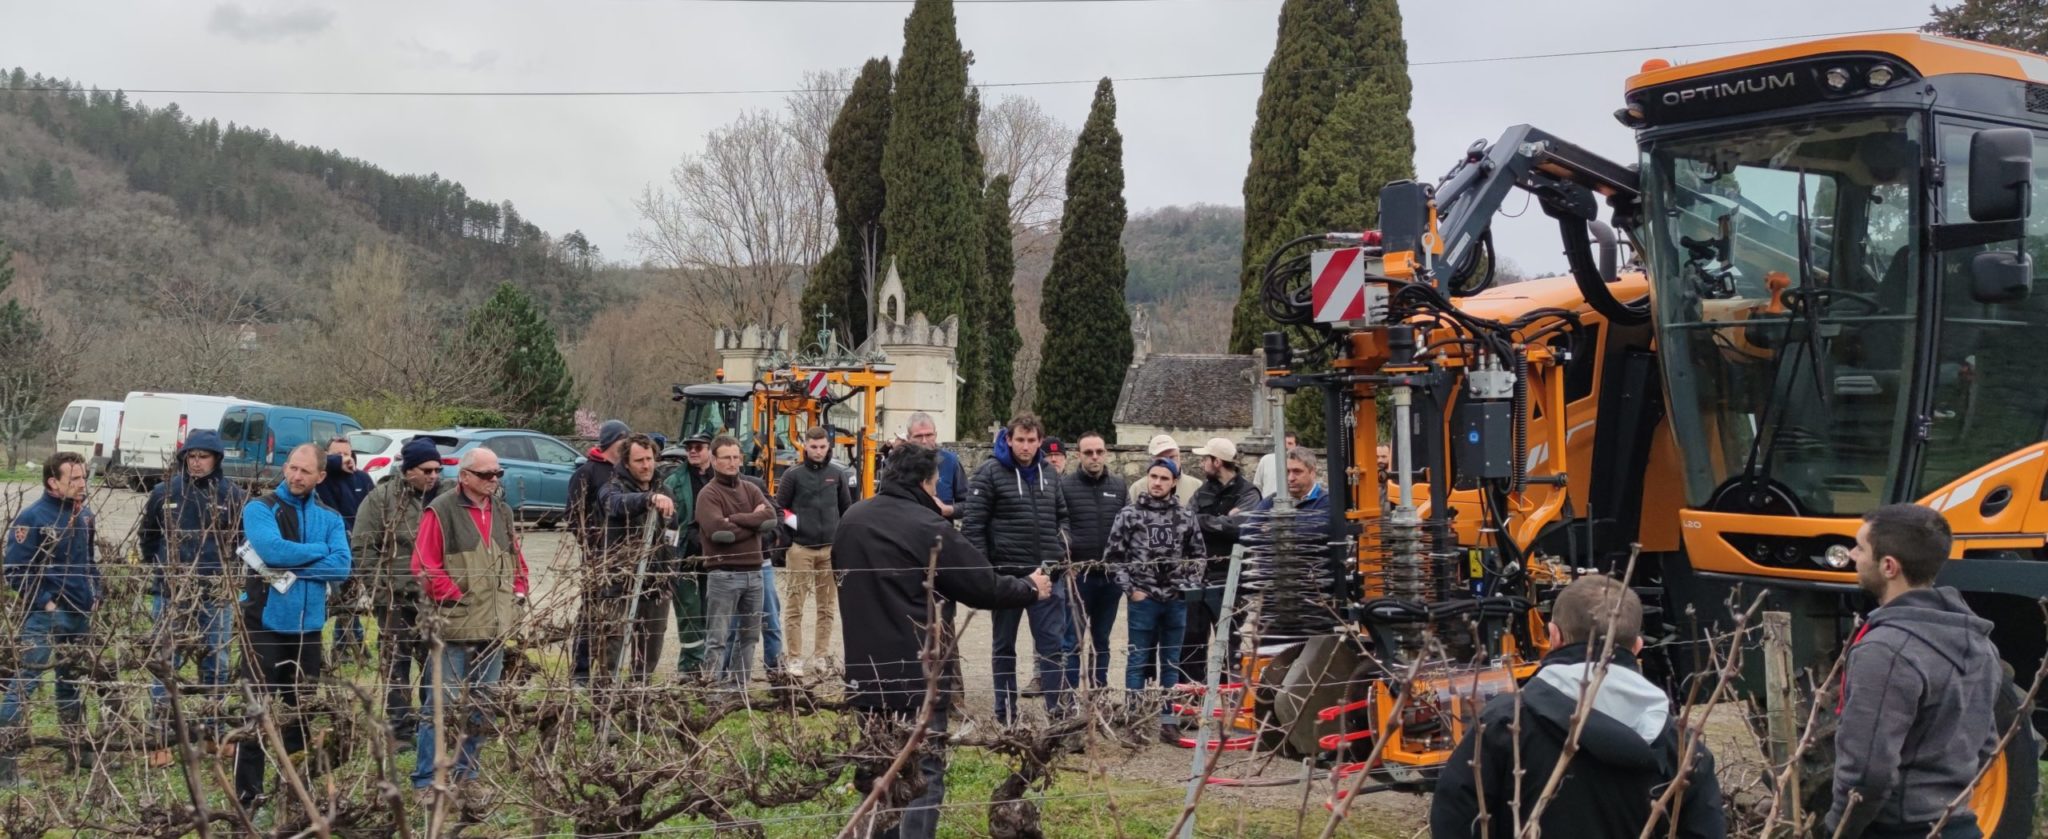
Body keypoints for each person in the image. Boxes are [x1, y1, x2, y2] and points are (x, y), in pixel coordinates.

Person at [835, 444, 1050, 839]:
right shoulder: (927, 526)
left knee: (878, 771)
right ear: (925, 482)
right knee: (924, 773)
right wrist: (1029, 587)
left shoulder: (852, 519)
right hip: (918, 675)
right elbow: (981, 585)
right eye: (936, 483)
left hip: (864, 672)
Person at [1430, 575, 1724, 839]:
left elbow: (1454, 821)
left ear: (1553, 635)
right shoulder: (1684, 750)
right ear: (1637, 646)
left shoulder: (1504, 725)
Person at [1828, 504, 2005, 839]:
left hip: (1896, 831)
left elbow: (1868, 772)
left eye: (1860, 548)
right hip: (1960, 828)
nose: (1852, 555)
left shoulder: (1884, 650)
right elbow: (1986, 747)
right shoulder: (1981, 646)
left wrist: (1838, 828)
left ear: (1889, 566)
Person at [234, 443, 353, 810]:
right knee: (257, 712)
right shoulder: (260, 508)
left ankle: (294, 789)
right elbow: (271, 551)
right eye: (292, 468)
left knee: (300, 712)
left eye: (305, 471)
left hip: (308, 629)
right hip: (264, 625)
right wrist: (319, 551)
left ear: (321, 476)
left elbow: (341, 567)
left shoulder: (330, 517)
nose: (296, 476)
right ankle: (248, 794)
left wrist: (296, 565)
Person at [410, 447, 530, 801]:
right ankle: (426, 781)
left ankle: (467, 776)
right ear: (464, 476)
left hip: (493, 627)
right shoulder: (441, 510)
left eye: (498, 473)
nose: (494, 480)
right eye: (486, 474)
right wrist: (457, 596)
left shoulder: (503, 511)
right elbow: (424, 566)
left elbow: (516, 559)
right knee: (440, 706)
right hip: (455, 626)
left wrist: (518, 592)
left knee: (482, 705)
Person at [138, 430, 246, 763]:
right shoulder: (163, 492)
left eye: (203, 456)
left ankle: (214, 734)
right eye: (191, 456)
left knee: (217, 664)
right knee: (166, 664)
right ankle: (160, 740)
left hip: (214, 594)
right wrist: (162, 570)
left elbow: (241, 542)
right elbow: (148, 537)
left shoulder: (233, 495)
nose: (196, 463)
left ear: (217, 459)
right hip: (171, 592)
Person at [960, 413, 1073, 723]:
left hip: (1046, 575)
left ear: (1039, 441)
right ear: (1008, 440)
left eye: (1031, 440)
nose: (1025, 446)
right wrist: (988, 573)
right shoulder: (989, 473)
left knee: (1052, 647)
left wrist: (1057, 556)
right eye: (1020, 440)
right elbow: (973, 526)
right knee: (1004, 647)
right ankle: (1006, 714)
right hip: (1007, 577)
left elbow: (1063, 518)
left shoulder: (1049, 474)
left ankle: (1058, 715)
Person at [0, 453, 101, 786]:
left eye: (84, 477)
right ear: (53, 482)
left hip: (80, 614)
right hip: (44, 619)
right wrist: (46, 603)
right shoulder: (32, 519)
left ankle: (77, 754)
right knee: (24, 686)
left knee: (71, 684)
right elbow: (15, 570)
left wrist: (96, 591)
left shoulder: (84, 515)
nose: (83, 484)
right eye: (74, 479)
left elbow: (89, 562)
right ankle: (3, 767)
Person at [351, 437, 449, 743]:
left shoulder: (447, 497)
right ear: (408, 471)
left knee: (435, 662)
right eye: (426, 470)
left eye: (437, 469)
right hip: (395, 596)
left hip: (436, 598)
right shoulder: (381, 499)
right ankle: (400, 728)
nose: (433, 476)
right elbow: (364, 546)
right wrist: (380, 589)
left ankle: (430, 724)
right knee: (396, 663)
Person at [1105, 459, 1206, 744]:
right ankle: (1135, 722)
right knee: (1137, 660)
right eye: (1153, 476)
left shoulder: (1185, 516)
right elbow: (1113, 557)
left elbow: (1199, 555)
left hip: (1175, 600)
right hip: (1143, 599)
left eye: (1164, 478)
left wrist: (1187, 585)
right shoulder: (1129, 515)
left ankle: (1168, 722)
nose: (1158, 482)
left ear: (1174, 482)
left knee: (1171, 663)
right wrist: (1131, 590)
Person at [696, 435, 777, 693]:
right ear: (714, 460)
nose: (732, 462)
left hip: (755, 573)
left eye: (736, 457)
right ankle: (712, 688)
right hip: (724, 575)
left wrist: (734, 519)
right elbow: (720, 533)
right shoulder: (708, 494)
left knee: (750, 636)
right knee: (718, 638)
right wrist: (753, 523)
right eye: (726, 458)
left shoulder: (751, 488)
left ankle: (738, 688)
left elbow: (770, 518)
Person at [598, 434, 679, 682]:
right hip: (620, 584)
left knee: (649, 650)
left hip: (656, 584)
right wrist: (648, 499)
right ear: (626, 463)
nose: (646, 465)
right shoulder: (613, 487)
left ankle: (637, 696)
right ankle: (605, 697)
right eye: (639, 460)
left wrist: (669, 573)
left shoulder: (665, 489)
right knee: (611, 647)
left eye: (649, 459)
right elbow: (614, 505)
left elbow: (673, 533)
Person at [1182, 437, 1259, 684]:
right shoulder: (1203, 490)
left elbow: (1241, 527)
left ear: (1217, 462)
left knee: (1232, 646)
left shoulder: (1248, 493)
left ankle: (1231, 702)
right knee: (1191, 645)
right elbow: (1185, 522)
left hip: (1232, 580)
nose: (1201, 463)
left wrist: (1205, 521)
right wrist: (1222, 520)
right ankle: (1192, 701)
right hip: (1199, 577)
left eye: (1205, 458)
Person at [776, 425, 852, 675]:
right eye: (813, 447)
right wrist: (796, 529)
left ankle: (821, 656)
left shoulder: (837, 474)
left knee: (826, 607)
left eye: (822, 447)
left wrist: (842, 540)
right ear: (805, 447)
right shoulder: (793, 475)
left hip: (829, 550)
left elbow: (846, 509)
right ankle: (794, 657)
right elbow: (780, 508)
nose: (818, 451)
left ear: (829, 446)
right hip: (801, 548)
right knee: (794, 606)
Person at [1058, 431, 1126, 689]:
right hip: (1078, 577)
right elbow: (1058, 526)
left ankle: (1099, 691)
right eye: (1088, 452)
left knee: (1102, 640)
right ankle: (1070, 696)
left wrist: (1121, 565)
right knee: (1072, 640)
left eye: (1099, 451)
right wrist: (1066, 563)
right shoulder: (1065, 487)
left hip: (1110, 578)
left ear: (1105, 453)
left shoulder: (1119, 486)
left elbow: (1127, 528)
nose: (1094, 457)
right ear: (1079, 455)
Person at [569, 419, 630, 685]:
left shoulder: (626, 472)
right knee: (591, 613)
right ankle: (580, 671)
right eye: (622, 440)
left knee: (618, 615)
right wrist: (594, 541)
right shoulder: (587, 473)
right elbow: (573, 515)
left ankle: (609, 672)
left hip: (627, 556)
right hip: (598, 557)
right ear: (610, 442)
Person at [318, 436, 375, 663]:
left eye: (347, 454)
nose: (343, 458)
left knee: (349, 600)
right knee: (338, 601)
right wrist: (334, 462)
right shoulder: (321, 479)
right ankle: (346, 646)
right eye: (336, 454)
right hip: (330, 552)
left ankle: (346, 648)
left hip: (358, 548)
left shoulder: (362, 478)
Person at [663, 433, 716, 675]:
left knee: (711, 613)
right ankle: (690, 667)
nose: (693, 451)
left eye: (698, 447)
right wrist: (669, 556)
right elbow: (668, 526)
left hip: (715, 559)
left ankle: (710, 665)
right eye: (689, 448)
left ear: (710, 450)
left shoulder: (721, 478)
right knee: (689, 613)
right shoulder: (674, 482)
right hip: (685, 558)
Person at [907, 412, 968, 519]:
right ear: (909, 438)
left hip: (941, 527)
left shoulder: (950, 462)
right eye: (918, 436)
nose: (924, 441)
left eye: (929, 435)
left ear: (935, 435)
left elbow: (969, 504)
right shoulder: (898, 465)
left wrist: (948, 510)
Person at [1130, 434, 1202, 505]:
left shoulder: (1197, 486)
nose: (1168, 462)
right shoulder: (1137, 488)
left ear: (1179, 457)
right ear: (1152, 460)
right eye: (1162, 458)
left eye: (1172, 457)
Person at [1253, 433, 1298, 498]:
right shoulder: (1266, 460)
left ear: (1296, 446)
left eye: (1290, 443)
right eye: (1283, 443)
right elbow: (1257, 485)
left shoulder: (1299, 463)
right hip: (1267, 502)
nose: (1285, 446)